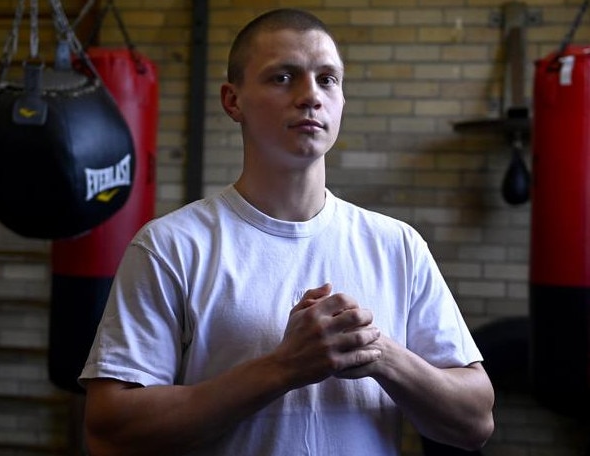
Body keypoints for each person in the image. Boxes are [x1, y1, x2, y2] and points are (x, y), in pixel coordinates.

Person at [79, 8, 495, 456]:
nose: (310, 96)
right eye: (283, 78)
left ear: (341, 102)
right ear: (232, 100)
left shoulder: (398, 246)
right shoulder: (171, 247)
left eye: (327, 79)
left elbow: (475, 422)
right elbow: (108, 434)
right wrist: (283, 368)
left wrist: (379, 352)